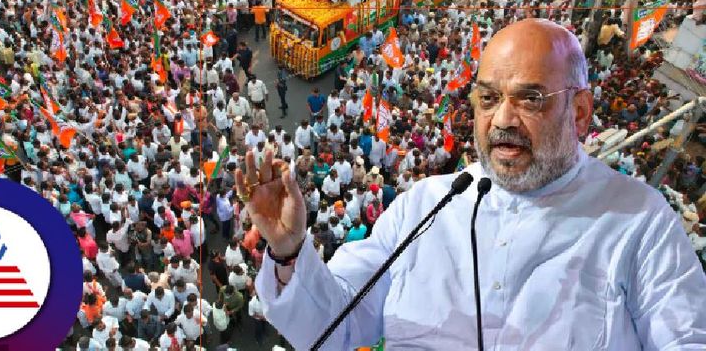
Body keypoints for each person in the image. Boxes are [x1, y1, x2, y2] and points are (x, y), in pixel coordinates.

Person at [236, 19, 706, 349]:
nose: (503, 118)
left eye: (530, 98)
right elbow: (332, 328)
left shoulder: (640, 223)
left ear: (579, 112)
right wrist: (290, 252)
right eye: (488, 98)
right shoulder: (425, 205)